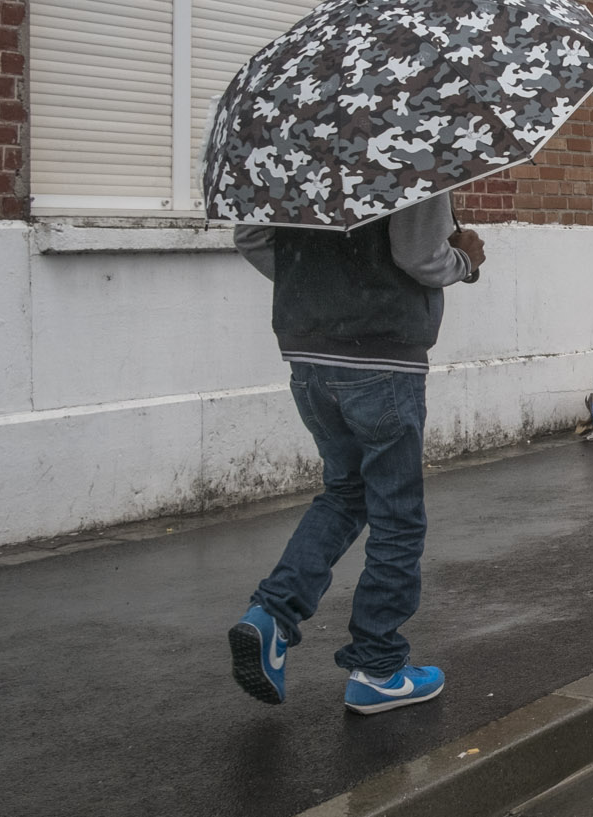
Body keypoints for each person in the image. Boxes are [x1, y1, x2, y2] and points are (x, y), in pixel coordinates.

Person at [229, 192, 484, 714]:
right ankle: (379, 667)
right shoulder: (409, 147)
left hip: (307, 352)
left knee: (345, 493)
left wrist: (320, 287)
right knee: (398, 516)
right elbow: (418, 257)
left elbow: (251, 236)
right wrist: (467, 260)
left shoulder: (291, 142)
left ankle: (272, 616)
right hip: (383, 356)